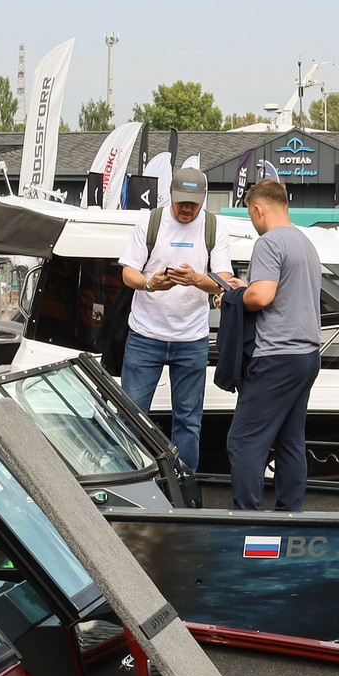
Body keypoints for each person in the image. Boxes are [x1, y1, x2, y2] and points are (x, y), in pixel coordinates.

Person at [116, 163, 236, 476]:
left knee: (188, 420)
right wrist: (149, 283)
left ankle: (184, 484)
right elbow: (128, 272)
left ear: (204, 200)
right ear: (171, 195)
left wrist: (197, 279)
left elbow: (224, 282)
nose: (186, 209)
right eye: (182, 202)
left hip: (191, 338)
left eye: (193, 204)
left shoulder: (214, 227)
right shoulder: (150, 222)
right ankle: (132, 480)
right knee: (131, 416)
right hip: (145, 335)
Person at [225, 176, 322, 513]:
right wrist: (246, 288)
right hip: (307, 355)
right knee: (289, 440)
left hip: (277, 356)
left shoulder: (268, 243)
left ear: (258, 209)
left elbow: (262, 297)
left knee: (243, 442)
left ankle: (246, 520)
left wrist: (235, 296)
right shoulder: (305, 242)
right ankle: (289, 514)